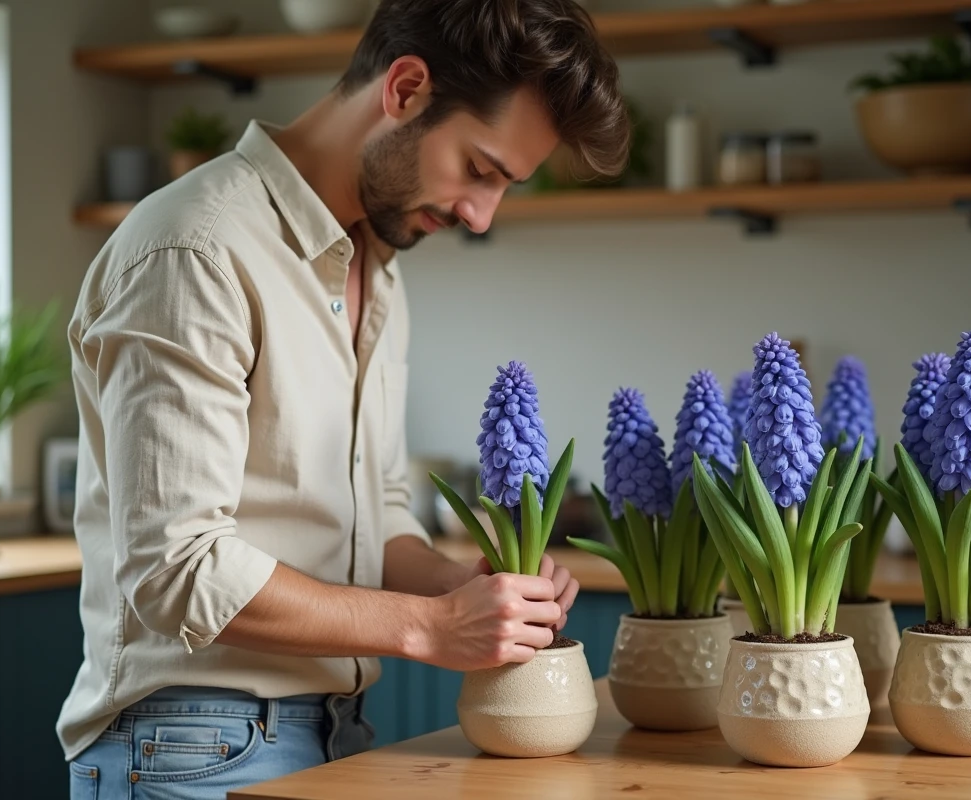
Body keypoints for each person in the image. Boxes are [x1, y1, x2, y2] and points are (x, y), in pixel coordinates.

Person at [56, 0, 630, 796]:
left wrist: (460, 590)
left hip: (335, 733)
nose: (480, 214)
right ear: (405, 90)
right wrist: (430, 628)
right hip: (187, 745)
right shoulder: (196, 248)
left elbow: (376, 516)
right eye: (480, 169)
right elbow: (176, 567)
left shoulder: (376, 270)